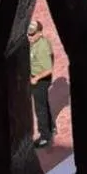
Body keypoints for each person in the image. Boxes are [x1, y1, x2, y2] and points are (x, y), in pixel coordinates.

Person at [28, 19, 55, 148]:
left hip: (40, 80)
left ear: (39, 33)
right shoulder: (34, 42)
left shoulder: (42, 47)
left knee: (40, 109)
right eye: (28, 33)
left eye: (32, 34)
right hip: (37, 77)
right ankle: (51, 127)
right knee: (43, 104)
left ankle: (45, 136)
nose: (29, 36)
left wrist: (36, 78)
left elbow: (49, 69)